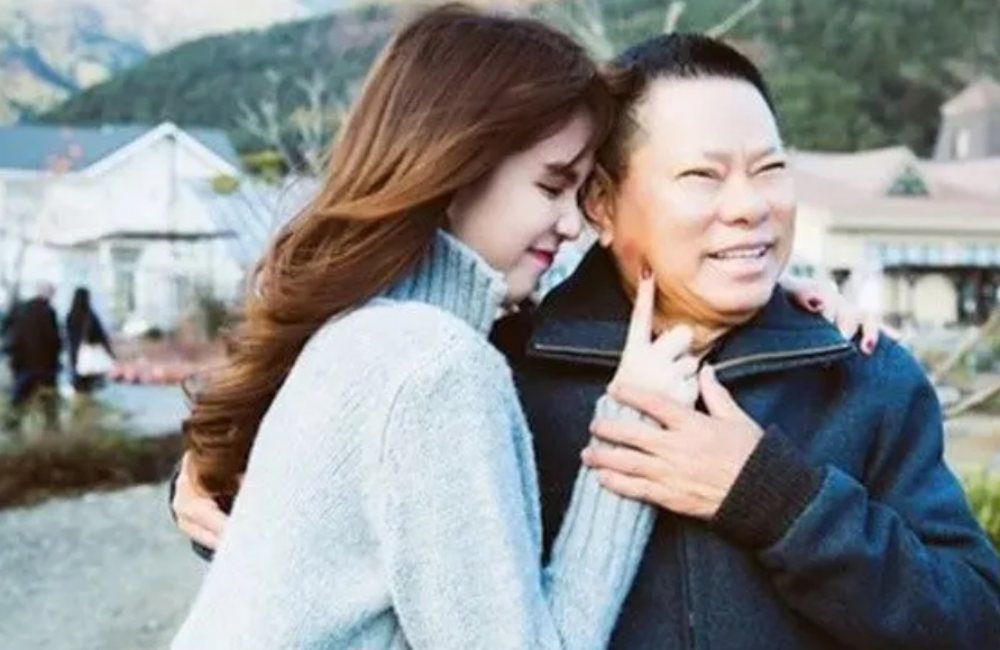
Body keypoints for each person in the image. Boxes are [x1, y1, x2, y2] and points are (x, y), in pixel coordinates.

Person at [171, 6, 699, 648]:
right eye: (551, 186)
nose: (571, 224)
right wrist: (632, 426)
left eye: (580, 193)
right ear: (457, 167)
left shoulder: (359, 335)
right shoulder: (433, 366)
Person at [544, 34, 998, 648]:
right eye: (702, 175)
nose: (749, 207)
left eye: (770, 170)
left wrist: (778, 501)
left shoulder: (865, 375)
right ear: (601, 202)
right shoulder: (518, 376)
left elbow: (976, 622)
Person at [3, 282, 61, 432]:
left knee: (18, 401)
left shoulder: (22, 309)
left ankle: (12, 429)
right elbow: (54, 340)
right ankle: (52, 432)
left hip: (23, 365)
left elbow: (12, 335)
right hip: (45, 367)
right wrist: (55, 362)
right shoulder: (49, 312)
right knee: (48, 404)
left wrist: (14, 360)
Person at [65, 287, 114, 394]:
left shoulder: (70, 316)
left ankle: (79, 398)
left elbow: (68, 337)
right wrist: (110, 353)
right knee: (89, 385)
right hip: (89, 356)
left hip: (75, 355)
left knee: (78, 383)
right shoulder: (91, 316)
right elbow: (101, 337)